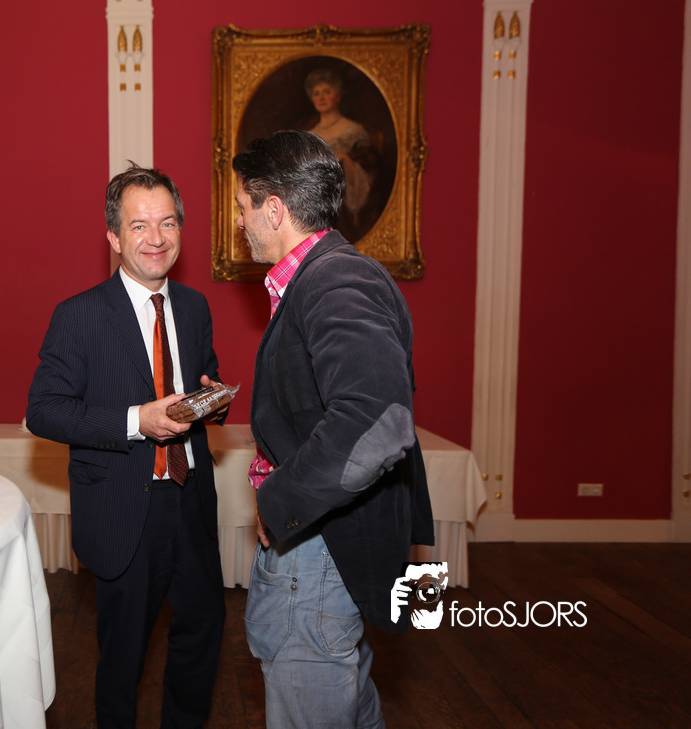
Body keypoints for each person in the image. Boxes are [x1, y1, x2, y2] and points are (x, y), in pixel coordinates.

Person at [233, 130, 433, 728]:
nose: (239, 221)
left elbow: (375, 420)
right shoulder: (327, 275)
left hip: (318, 552)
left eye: (243, 206)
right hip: (327, 547)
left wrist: (279, 501)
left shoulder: (336, 281)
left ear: (274, 209)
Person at [27, 164, 227, 728]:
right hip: (123, 509)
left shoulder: (194, 307)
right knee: (123, 660)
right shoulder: (79, 315)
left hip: (191, 501)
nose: (156, 238)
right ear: (114, 237)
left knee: (202, 635)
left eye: (168, 223)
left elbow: (200, 376)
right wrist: (139, 420)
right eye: (139, 226)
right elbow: (43, 410)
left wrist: (212, 399)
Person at [304, 68, 380, 240]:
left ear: (337, 96)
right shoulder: (310, 135)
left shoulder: (353, 130)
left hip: (345, 206)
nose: (321, 97)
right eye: (316, 93)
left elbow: (370, 166)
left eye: (327, 92)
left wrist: (346, 160)